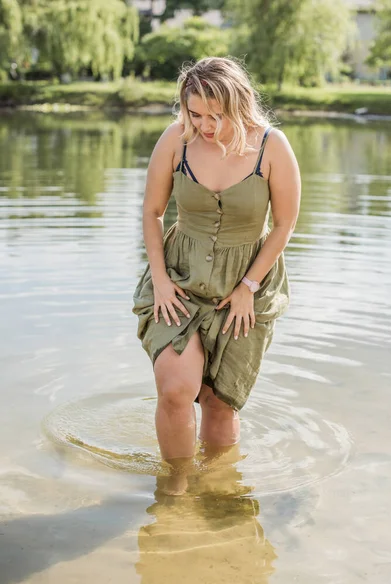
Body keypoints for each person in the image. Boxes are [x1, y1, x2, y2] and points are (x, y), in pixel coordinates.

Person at [132, 56, 301, 494]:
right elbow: (151, 213)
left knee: (220, 406)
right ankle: (173, 493)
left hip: (245, 287)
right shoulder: (176, 140)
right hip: (179, 282)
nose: (204, 125)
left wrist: (248, 287)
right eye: (194, 113)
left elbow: (284, 224)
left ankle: (218, 495)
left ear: (239, 104)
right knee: (175, 390)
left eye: (215, 115)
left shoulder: (271, 146)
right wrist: (161, 279)